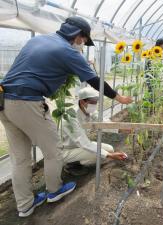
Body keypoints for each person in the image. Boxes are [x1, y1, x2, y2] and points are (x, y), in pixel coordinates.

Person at [0, 16, 132, 217]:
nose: (82, 45)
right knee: (54, 150)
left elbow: (32, 72)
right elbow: (95, 81)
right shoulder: (68, 51)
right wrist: (119, 97)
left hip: (4, 100)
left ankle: (25, 205)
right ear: (78, 36)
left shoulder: (37, 40)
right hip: (26, 100)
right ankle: (54, 190)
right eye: (83, 41)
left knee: (20, 159)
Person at [62, 87, 128, 175]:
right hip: (67, 150)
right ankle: (70, 165)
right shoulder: (70, 117)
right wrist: (109, 155)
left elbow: (101, 121)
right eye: (92, 102)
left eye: (96, 102)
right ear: (82, 101)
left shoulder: (88, 110)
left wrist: (119, 129)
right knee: (100, 155)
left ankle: (79, 160)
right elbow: (84, 143)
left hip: (80, 145)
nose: (94, 104)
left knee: (110, 149)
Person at [145, 38, 163, 104]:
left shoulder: (155, 50)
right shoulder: (154, 51)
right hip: (150, 73)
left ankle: (151, 102)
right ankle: (150, 103)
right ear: (161, 45)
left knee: (152, 89)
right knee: (151, 89)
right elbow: (151, 63)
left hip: (152, 73)